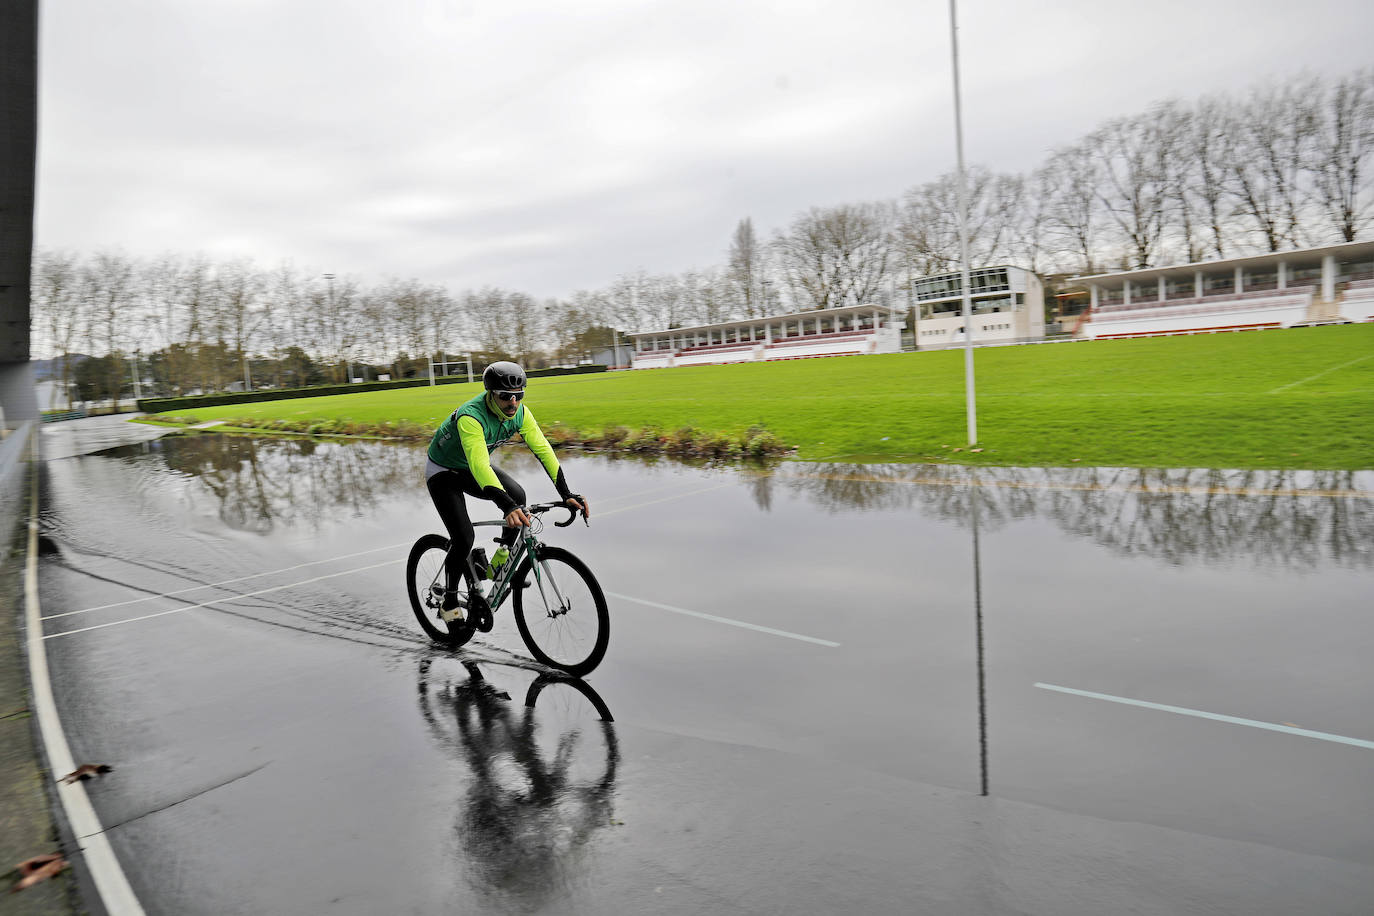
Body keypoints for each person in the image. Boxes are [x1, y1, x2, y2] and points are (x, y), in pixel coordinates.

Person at [425, 361, 589, 625]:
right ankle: (450, 599)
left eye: (519, 395)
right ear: (491, 393)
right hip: (443, 471)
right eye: (505, 396)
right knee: (464, 537)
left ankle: (499, 564)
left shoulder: (521, 413)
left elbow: (543, 450)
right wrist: (506, 506)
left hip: (470, 468)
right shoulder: (471, 416)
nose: (513, 402)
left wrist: (566, 493)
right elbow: (480, 466)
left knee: (518, 497)